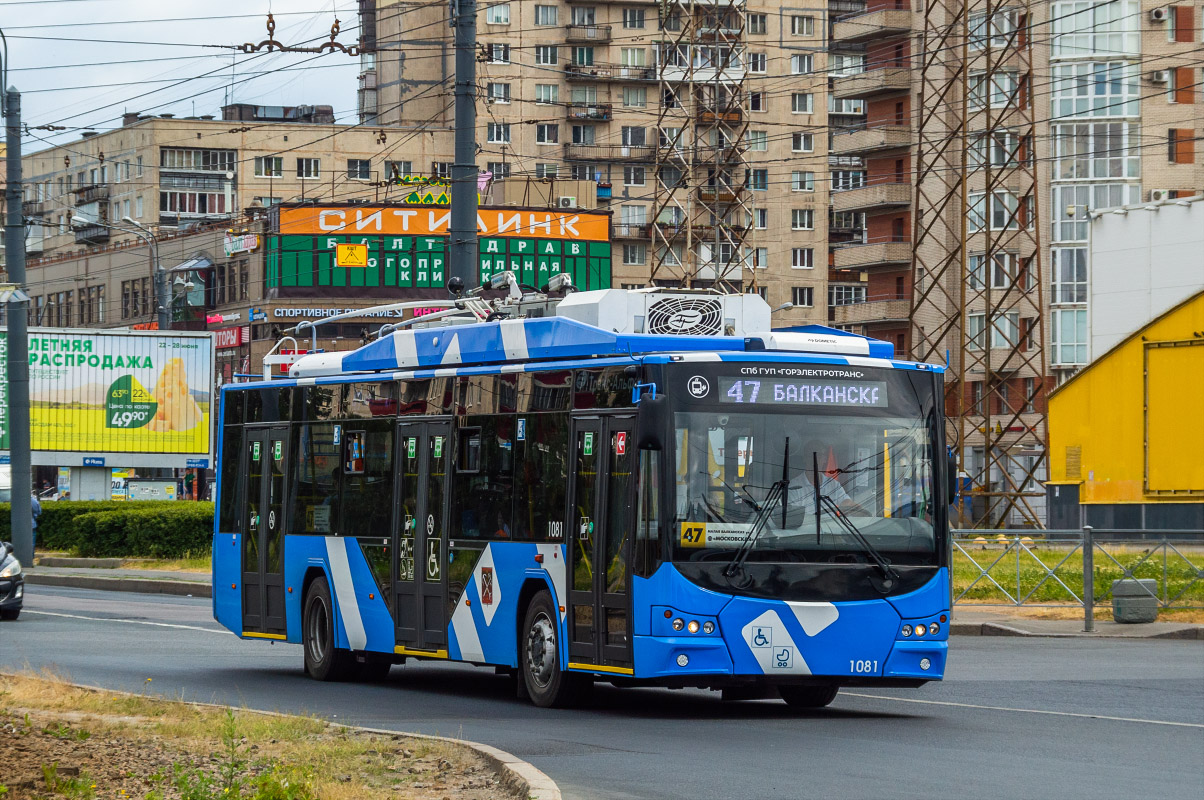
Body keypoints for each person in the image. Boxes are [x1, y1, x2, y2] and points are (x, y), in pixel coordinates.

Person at [31, 491, 42, 562]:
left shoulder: (18, 501)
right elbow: (39, 512)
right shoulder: (34, 501)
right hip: (32, 524)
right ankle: (31, 557)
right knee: (32, 542)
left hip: (19, 526)